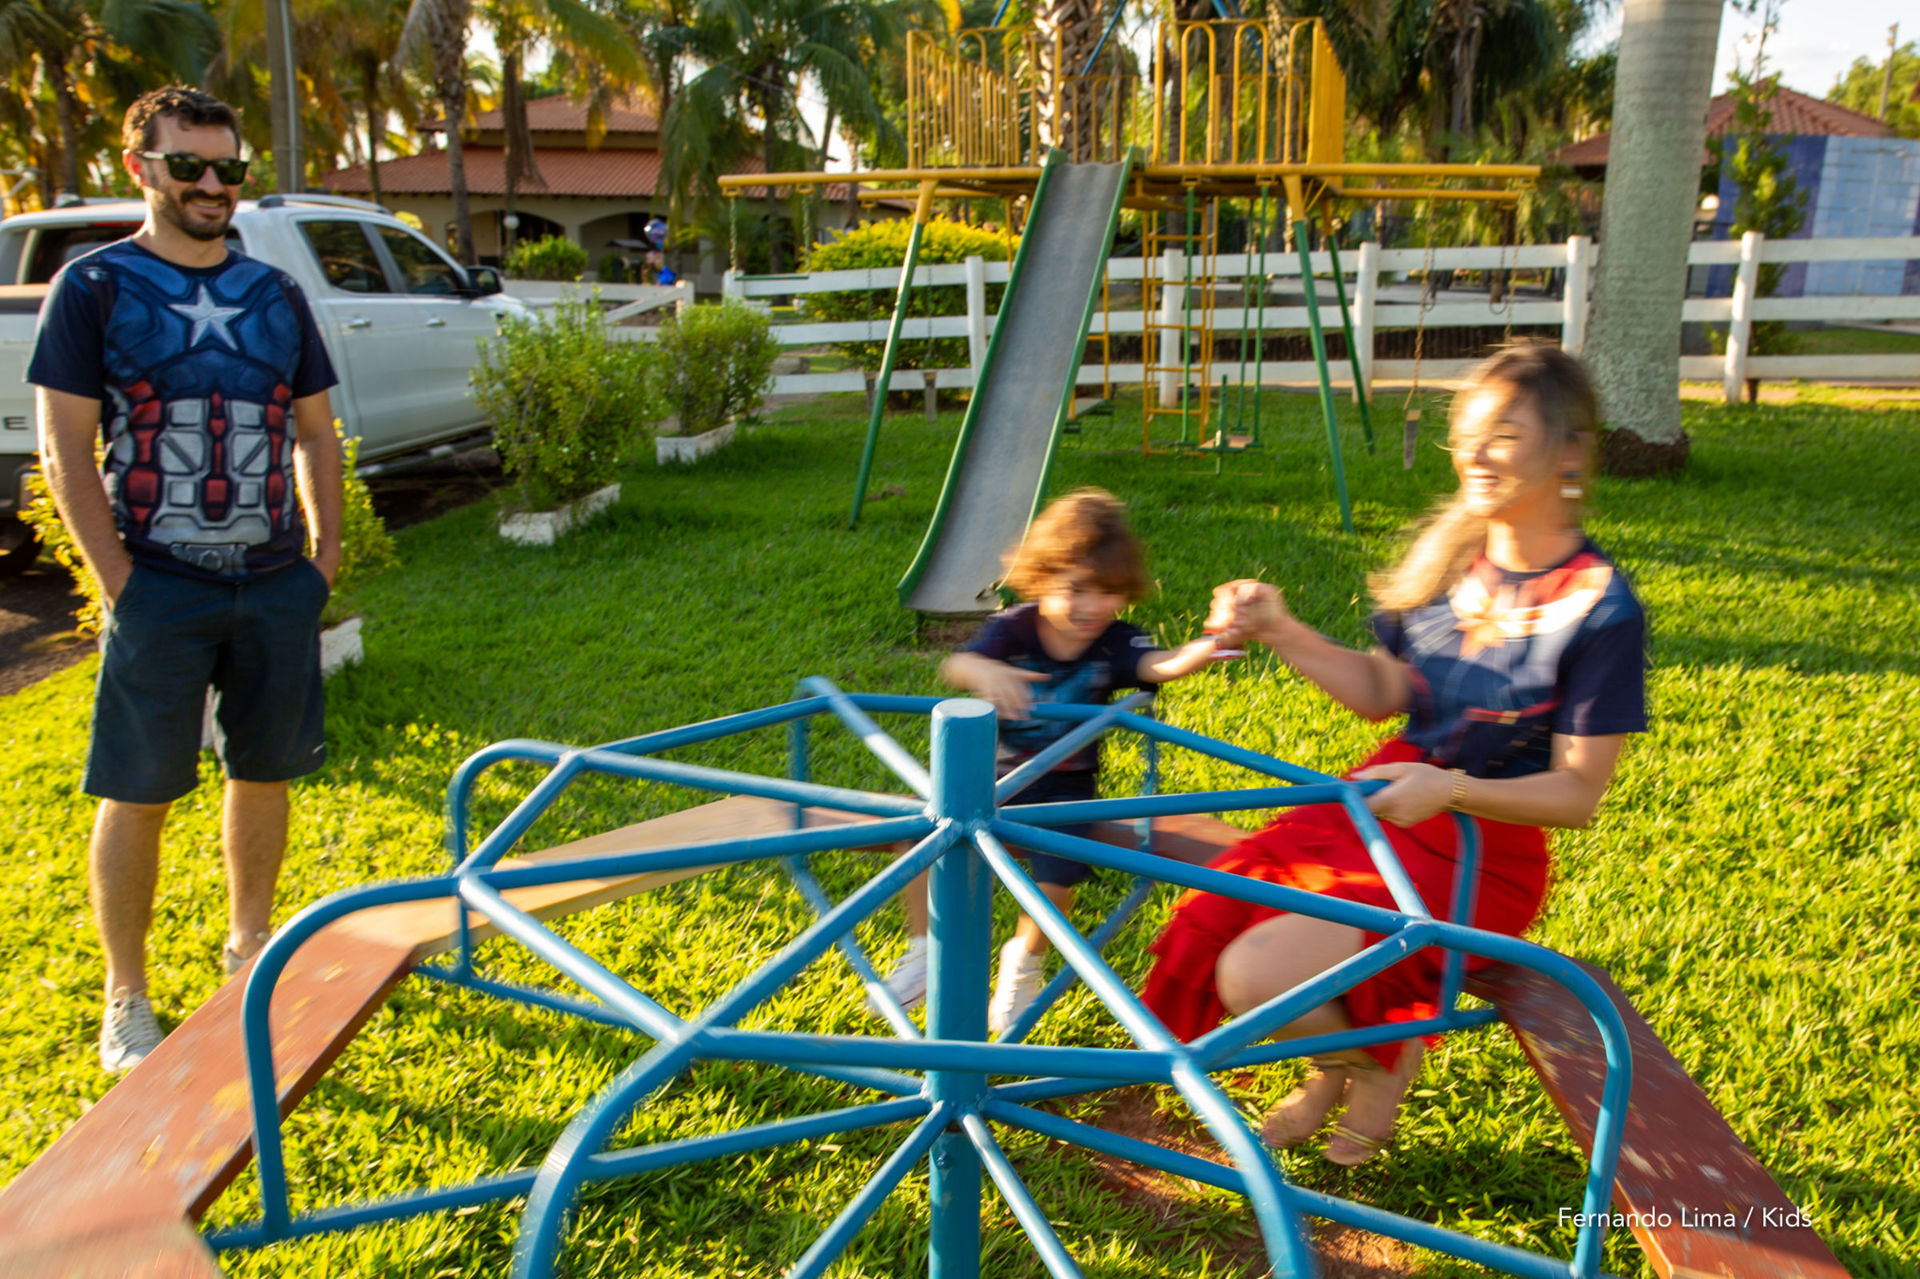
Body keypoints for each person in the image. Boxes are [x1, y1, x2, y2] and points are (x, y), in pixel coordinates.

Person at [1140, 343, 1647, 1165]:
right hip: (1382, 803)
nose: (1475, 455)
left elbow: (1577, 795)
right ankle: (1339, 1064)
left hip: (1483, 847)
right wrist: (1280, 628)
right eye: (1467, 434)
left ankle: (1376, 1064)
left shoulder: (1601, 608)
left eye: (1505, 434)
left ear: (1572, 449)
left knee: (1256, 976)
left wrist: (1450, 788)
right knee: (1215, 918)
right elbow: (1385, 691)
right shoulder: (1455, 562)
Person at [30, 86, 343, 1073]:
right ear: (141, 169)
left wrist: (322, 564)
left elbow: (318, 434)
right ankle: (127, 995)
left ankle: (250, 948)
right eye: (188, 166)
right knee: (138, 787)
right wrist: (120, 581)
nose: (212, 186)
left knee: (265, 771)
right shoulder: (95, 288)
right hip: (158, 583)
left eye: (228, 169)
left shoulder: (275, 296)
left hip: (274, 579)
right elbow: (62, 447)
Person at [882, 488, 1223, 1033]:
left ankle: (1024, 962)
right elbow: (958, 665)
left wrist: (1207, 647)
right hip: (993, 778)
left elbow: (1159, 665)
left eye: (1108, 593)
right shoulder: (1015, 626)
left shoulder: (1117, 642)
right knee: (919, 838)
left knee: (1056, 878)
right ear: (1042, 578)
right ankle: (925, 950)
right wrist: (984, 673)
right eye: (1077, 589)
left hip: (1067, 787)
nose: (1092, 607)